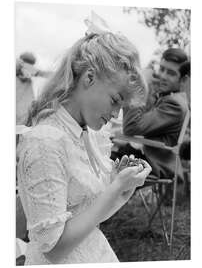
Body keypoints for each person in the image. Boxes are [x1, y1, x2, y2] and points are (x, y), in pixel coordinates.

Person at [16, 32, 152, 265]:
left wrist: (121, 190)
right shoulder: (46, 142)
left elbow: (87, 220)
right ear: (89, 78)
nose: (116, 114)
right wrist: (114, 189)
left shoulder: (83, 135)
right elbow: (54, 249)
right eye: (115, 100)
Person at [122, 48, 189, 180]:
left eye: (170, 73)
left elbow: (131, 127)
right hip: (142, 157)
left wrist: (141, 83)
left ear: (183, 79)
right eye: (162, 69)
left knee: (100, 167)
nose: (163, 76)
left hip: (152, 163)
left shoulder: (174, 105)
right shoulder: (167, 97)